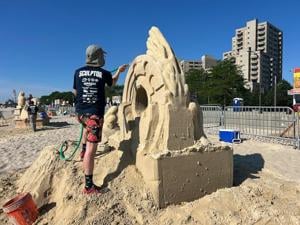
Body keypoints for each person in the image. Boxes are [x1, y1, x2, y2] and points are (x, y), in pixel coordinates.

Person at [73, 44, 127, 194]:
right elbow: (113, 83)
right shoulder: (103, 73)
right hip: (94, 115)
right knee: (92, 148)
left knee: (86, 130)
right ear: (99, 57)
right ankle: (88, 186)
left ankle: (82, 152)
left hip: (80, 113)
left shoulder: (78, 72)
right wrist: (119, 72)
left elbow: (76, 91)